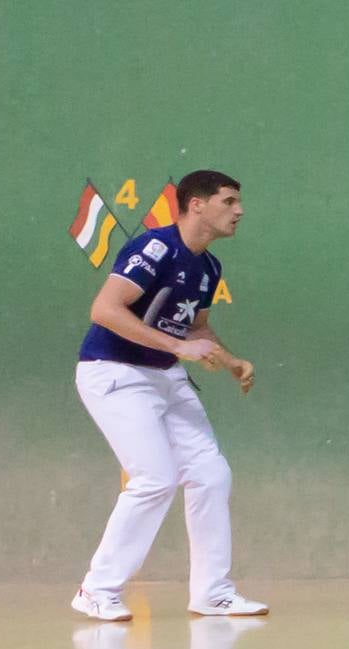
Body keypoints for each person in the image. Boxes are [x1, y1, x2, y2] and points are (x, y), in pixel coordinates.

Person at [71, 170, 264, 621]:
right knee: (154, 477)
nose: (239, 211)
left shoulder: (209, 266)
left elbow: (195, 327)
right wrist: (179, 347)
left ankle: (212, 592)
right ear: (197, 204)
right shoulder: (153, 249)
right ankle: (96, 590)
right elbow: (104, 310)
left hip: (164, 377)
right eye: (229, 201)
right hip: (113, 372)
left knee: (211, 475)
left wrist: (229, 359)